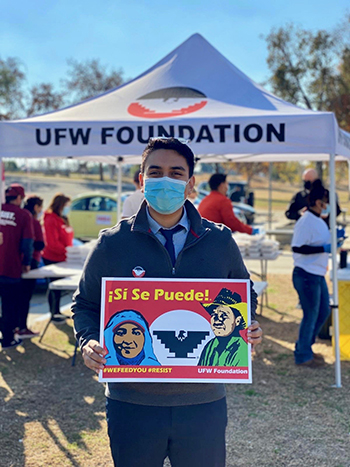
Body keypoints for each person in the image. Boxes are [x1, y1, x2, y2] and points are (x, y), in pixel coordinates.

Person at [72, 136, 262, 467]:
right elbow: (85, 305)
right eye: (156, 171)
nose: (165, 180)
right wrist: (88, 340)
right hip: (131, 403)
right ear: (142, 179)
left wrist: (248, 326)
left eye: (176, 173)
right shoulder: (111, 244)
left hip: (203, 402)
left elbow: (244, 295)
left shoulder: (218, 241)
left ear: (190, 184)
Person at [291, 180, 336, 367]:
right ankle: (303, 355)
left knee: (323, 311)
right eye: (326, 202)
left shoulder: (318, 220)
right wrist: (323, 248)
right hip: (306, 274)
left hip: (316, 274)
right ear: (319, 202)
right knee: (310, 314)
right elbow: (297, 247)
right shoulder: (306, 221)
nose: (328, 206)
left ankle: (305, 346)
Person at [0, 184, 34, 349]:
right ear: (19, 198)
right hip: (10, 268)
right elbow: (27, 243)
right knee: (10, 305)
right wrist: (27, 262)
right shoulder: (23, 215)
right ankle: (7, 339)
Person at [42, 193, 74, 322]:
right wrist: (66, 251)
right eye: (66, 205)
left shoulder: (62, 218)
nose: (68, 208)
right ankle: (53, 313)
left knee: (59, 288)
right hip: (53, 257)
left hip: (63, 256)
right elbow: (52, 242)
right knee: (54, 286)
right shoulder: (50, 219)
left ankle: (57, 311)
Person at [16, 195, 45, 339]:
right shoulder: (33, 221)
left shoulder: (19, 218)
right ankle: (22, 327)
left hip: (16, 261)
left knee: (15, 297)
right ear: (36, 207)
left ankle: (15, 326)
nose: (41, 210)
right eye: (40, 207)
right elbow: (38, 244)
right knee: (25, 296)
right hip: (30, 262)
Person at [198, 288, 248, 367]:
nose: (217, 320)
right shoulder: (211, 345)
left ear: (237, 321)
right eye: (214, 314)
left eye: (224, 315)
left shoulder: (241, 349)